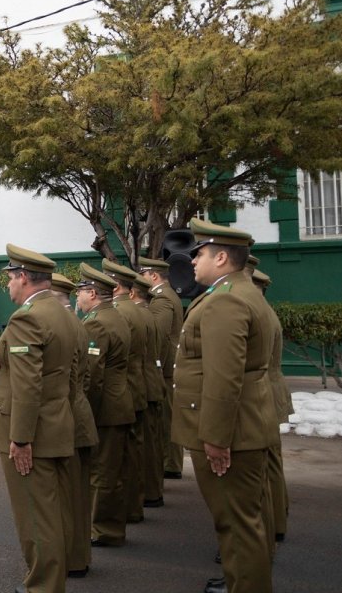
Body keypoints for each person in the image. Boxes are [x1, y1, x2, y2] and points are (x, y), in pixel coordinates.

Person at [171, 219, 279, 593]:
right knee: (245, 521)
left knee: (236, 525)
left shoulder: (226, 299)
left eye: (198, 254)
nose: (193, 261)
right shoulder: (242, 291)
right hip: (245, 425)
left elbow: (223, 376)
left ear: (220, 257)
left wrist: (215, 438)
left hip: (229, 432)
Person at [0, 244, 75, 593]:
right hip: (56, 421)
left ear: (23, 277)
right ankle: (52, 579)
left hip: (31, 432)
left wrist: (21, 439)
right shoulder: (61, 312)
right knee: (52, 510)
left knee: (36, 517)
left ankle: (44, 585)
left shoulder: (28, 317)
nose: (7, 285)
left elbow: (27, 385)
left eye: (10, 277)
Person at [76, 263, 134, 549]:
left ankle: (102, 529)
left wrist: (87, 413)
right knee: (114, 470)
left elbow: (92, 375)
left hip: (106, 408)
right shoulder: (116, 315)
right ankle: (111, 527)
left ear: (93, 294)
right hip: (120, 402)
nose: (78, 299)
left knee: (101, 472)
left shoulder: (96, 323)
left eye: (81, 293)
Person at [50, 273, 98, 579]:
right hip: (80, 413)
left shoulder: (60, 326)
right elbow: (88, 376)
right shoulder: (79, 325)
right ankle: (79, 557)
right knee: (78, 494)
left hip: (65, 417)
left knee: (65, 496)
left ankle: (68, 559)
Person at [101, 258, 150, 524]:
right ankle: (134, 507)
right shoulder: (139, 311)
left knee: (118, 461)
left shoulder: (119, 313)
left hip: (122, 390)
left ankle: (124, 512)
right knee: (133, 454)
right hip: (135, 385)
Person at [252, 268, 293, 548]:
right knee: (271, 464)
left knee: (265, 467)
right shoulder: (265, 311)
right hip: (271, 389)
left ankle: (273, 524)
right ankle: (277, 520)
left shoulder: (260, 315)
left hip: (264, 391)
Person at [138, 255, 185, 481]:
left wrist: (155, 368)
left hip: (165, 367)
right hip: (168, 366)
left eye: (143, 275)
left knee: (166, 418)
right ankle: (171, 462)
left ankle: (171, 463)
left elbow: (159, 336)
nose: (141, 279)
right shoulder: (165, 295)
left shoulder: (162, 299)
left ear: (153, 276)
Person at [129, 275, 166, 509]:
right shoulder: (148, 313)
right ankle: (153, 490)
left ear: (132, 293)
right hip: (151, 379)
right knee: (151, 441)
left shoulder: (134, 314)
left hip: (140, 382)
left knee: (141, 444)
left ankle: (148, 493)